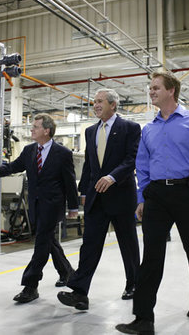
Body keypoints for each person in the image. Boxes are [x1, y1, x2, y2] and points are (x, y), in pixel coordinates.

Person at [116, 71, 189, 334]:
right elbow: (142, 165)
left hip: (187, 193)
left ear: (171, 90)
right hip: (157, 196)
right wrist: (142, 197)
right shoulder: (149, 129)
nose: (151, 92)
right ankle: (143, 318)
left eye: (155, 87)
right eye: (149, 88)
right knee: (151, 256)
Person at [57, 88, 141, 310]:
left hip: (121, 195)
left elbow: (132, 159)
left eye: (100, 101)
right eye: (93, 102)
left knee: (128, 244)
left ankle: (134, 283)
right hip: (97, 197)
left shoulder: (130, 128)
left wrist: (113, 177)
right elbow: (89, 165)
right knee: (90, 245)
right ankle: (79, 292)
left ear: (113, 105)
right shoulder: (90, 131)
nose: (95, 105)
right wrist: (83, 193)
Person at [0, 113, 78, 303]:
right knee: (48, 240)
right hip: (35, 205)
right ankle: (68, 273)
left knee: (41, 243)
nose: (32, 129)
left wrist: (73, 207)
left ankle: (30, 286)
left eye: (35, 126)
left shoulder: (62, 153)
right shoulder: (29, 150)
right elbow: (14, 166)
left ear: (47, 131)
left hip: (52, 205)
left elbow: (69, 182)